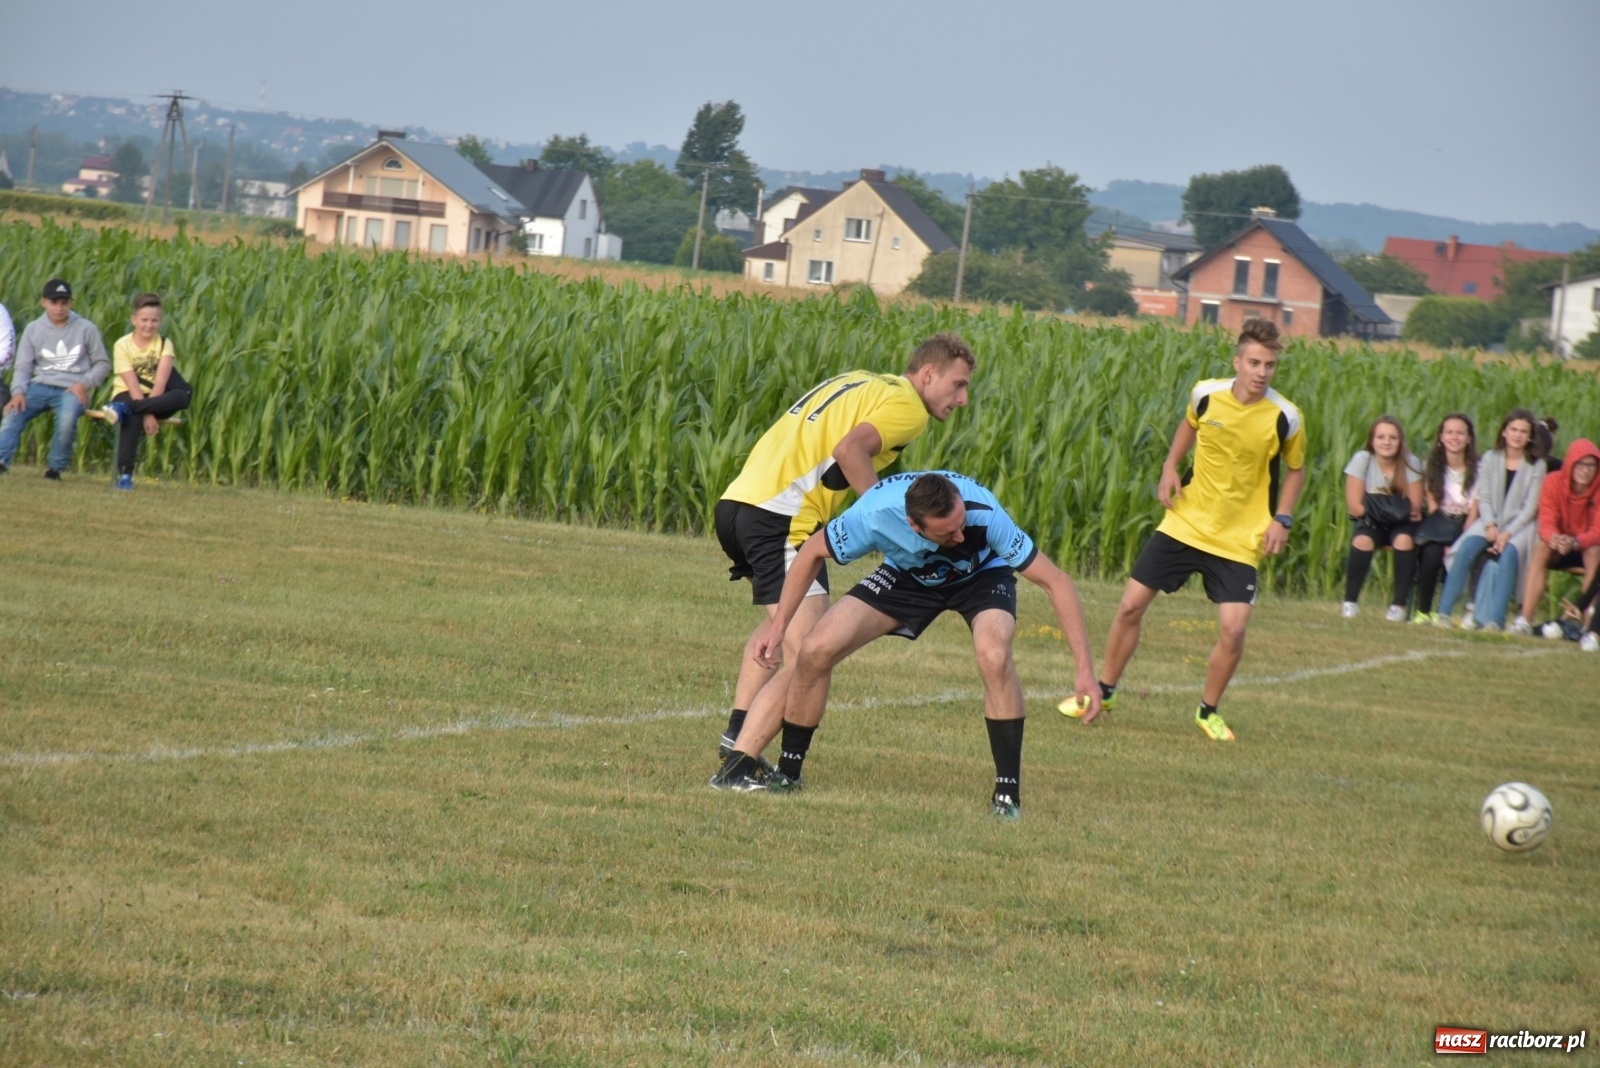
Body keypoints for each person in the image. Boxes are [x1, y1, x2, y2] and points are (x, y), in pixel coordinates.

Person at [711, 471, 1100, 818]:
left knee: (994, 655)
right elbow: (812, 550)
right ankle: (789, 775)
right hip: (909, 577)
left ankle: (1007, 796)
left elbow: (1057, 581)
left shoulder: (982, 513)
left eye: (961, 525)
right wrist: (779, 627)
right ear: (914, 525)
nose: (960, 537)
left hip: (983, 577)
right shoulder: (874, 514)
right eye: (947, 534)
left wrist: (1085, 670)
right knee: (815, 649)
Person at [712, 335, 975, 768]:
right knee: (811, 652)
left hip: (738, 504)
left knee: (785, 624)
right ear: (928, 374)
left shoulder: (862, 381)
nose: (962, 399)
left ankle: (736, 734)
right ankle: (741, 762)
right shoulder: (909, 408)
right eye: (958, 385)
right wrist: (886, 521)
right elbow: (848, 450)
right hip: (781, 518)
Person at [1066, 317, 1306, 743]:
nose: (1261, 373)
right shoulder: (1206, 395)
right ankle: (1105, 691)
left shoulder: (1286, 417)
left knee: (1233, 631)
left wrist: (1281, 518)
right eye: (1254, 363)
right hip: (1186, 522)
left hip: (1240, 538)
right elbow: (1189, 426)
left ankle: (1207, 712)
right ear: (1237, 361)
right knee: (1129, 606)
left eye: (1269, 365)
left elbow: (1296, 469)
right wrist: (1170, 466)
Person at [1436, 409, 1546, 632]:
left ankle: (1495, 621)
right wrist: (1490, 525)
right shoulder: (1490, 458)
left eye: (1523, 431)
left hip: (1521, 526)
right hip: (1491, 519)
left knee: (1510, 554)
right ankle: (1443, 613)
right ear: (1504, 432)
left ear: (1530, 437)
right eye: (1513, 429)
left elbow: (1531, 507)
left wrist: (1506, 534)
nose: (1517, 435)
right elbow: (1484, 497)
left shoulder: (1537, 465)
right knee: (1466, 549)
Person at [0, 279, 110, 480]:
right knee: (13, 411)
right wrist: (18, 392)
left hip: (71, 388)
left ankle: (55, 468)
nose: (59, 308)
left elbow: (102, 364)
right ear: (43, 302)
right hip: (39, 385)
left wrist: (84, 384)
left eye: (64, 303)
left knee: (67, 418)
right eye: (54, 303)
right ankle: (1, 459)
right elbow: (23, 366)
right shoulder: (33, 329)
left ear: (71, 303)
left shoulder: (86, 328)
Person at [85, 292, 193, 491]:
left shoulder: (164, 344)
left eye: (154, 321)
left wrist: (147, 410)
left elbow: (160, 382)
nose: (149, 325)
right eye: (144, 320)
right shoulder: (122, 345)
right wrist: (146, 413)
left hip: (154, 398)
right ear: (134, 320)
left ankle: (122, 409)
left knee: (182, 396)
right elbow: (132, 383)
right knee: (133, 417)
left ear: (160, 321)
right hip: (128, 392)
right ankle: (125, 474)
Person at [1509, 438, 1600, 635]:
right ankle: (1524, 619)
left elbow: (1597, 530)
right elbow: (1546, 521)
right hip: (1558, 544)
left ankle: (1589, 626)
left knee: (1594, 552)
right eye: (1581, 464)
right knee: (1542, 546)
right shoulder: (1553, 482)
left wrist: (1575, 542)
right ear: (1570, 463)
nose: (1586, 471)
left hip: (1584, 545)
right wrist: (1555, 538)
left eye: (1591, 466)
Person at [1340, 415, 1424, 621]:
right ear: (1372, 440)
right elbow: (1355, 507)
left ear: (1400, 441)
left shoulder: (1410, 462)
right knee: (1362, 540)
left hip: (1402, 523)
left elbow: (1414, 509)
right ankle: (1350, 602)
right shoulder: (1362, 460)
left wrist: (1376, 504)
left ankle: (1398, 605)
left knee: (1404, 540)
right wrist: (1389, 509)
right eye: (1381, 437)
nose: (1386, 442)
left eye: (1393, 438)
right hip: (1371, 522)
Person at [1411, 414, 1479, 626]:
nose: (1454, 437)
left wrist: (1458, 538)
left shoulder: (1479, 469)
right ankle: (1423, 611)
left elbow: (1475, 508)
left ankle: (1450, 611)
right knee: (1431, 553)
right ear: (1441, 437)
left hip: (1467, 522)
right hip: (1440, 521)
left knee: (1461, 552)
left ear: (1469, 438)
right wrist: (1443, 537)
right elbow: (1433, 507)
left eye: (1460, 433)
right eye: (1449, 432)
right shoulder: (1431, 466)